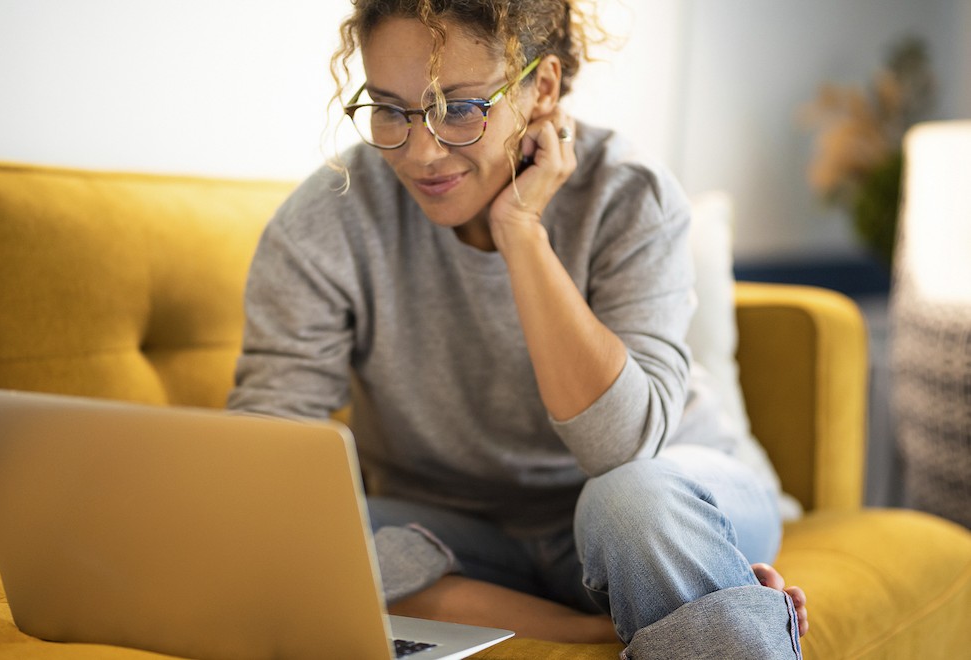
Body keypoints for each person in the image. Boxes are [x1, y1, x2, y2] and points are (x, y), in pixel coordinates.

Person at [228, 0, 807, 655]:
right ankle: (600, 622)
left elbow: (621, 449)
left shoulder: (627, 194)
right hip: (459, 535)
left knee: (631, 505)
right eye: (390, 109)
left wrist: (521, 233)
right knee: (295, 535)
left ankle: (660, 592)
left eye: (460, 107)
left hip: (656, 498)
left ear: (544, 87)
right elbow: (269, 463)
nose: (421, 152)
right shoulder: (325, 222)